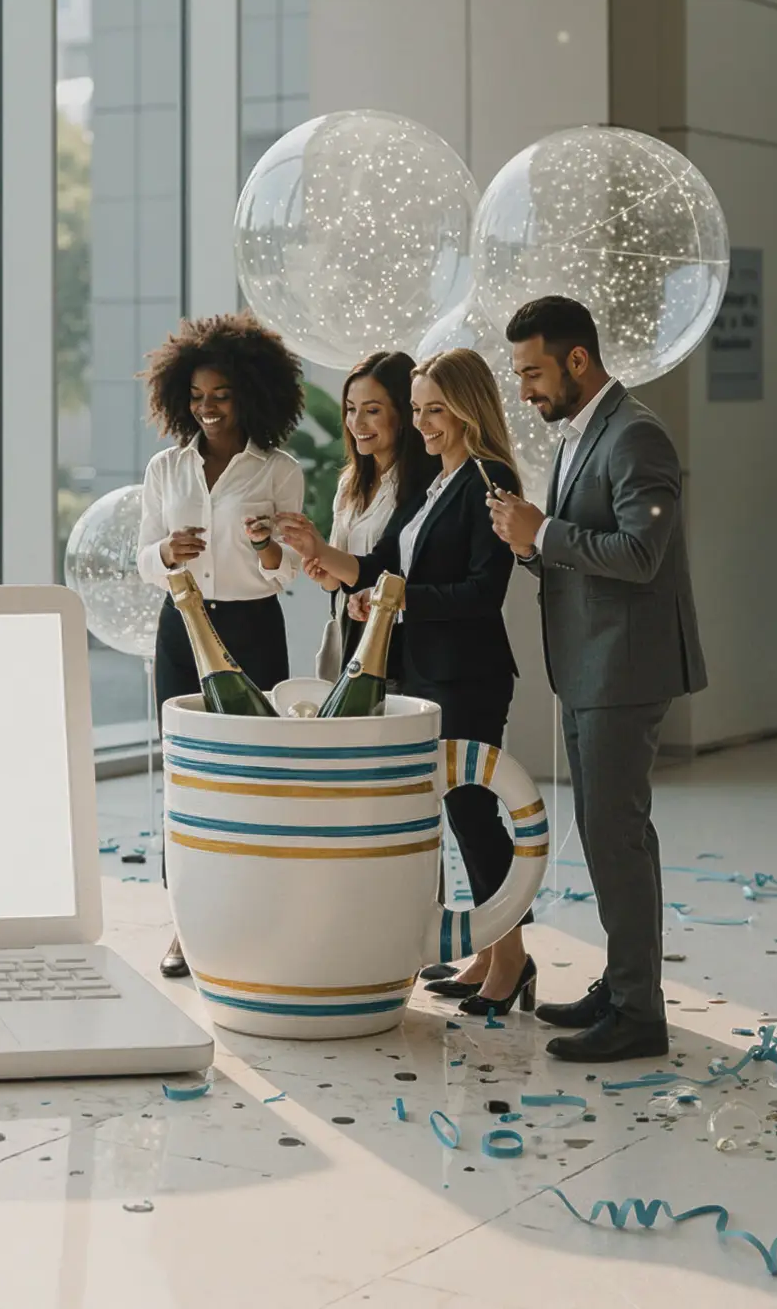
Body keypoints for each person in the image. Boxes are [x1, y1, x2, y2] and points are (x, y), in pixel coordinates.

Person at [484, 295, 705, 1065]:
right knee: (613, 836)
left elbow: (640, 554)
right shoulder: (585, 432)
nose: (526, 390)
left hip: (624, 665)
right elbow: (589, 544)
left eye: (534, 372)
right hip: (591, 663)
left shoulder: (635, 431)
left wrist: (542, 531)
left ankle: (640, 1012)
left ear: (579, 359)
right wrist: (529, 540)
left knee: (616, 835)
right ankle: (622, 984)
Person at [280, 349, 529, 1016]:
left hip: (468, 673)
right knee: (460, 811)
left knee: (473, 812)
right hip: (424, 671)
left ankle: (513, 960)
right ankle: (491, 952)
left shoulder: (489, 477)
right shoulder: (436, 482)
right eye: (416, 409)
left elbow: (483, 590)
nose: (421, 423)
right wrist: (344, 575)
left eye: (434, 409)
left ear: (467, 408)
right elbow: (382, 566)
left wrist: (400, 599)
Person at [134, 311, 309, 977]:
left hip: (253, 631)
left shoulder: (277, 470)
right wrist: (165, 552)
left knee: (254, 779)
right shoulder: (164, 469)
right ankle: (186, 925)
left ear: (250, 395)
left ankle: (256, 919)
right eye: (197, 396)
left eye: (221, 395)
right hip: (182, 626)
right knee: (187, 778)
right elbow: (144, 555)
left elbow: (286, 572)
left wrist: (267, 545)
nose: (207, 408)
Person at [297, 351, 435, 678]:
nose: (357, 423)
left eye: (372, 411)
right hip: (353, 634)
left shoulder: (425, 486)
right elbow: (335, 580)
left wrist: (325, 554)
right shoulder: (349, 483)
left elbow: (405, 571)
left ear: (404, 414)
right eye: (350, 410)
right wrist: (319, 563)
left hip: (399, 640)